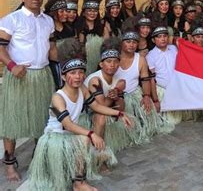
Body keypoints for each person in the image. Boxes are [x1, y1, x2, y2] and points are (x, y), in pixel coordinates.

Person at [28, 40, 132, 190]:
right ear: (63, 76)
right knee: (84, 139)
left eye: (81, 72)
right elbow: (68, 124)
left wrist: (120, 113)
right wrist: (92, 134)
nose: (78, 76)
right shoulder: (58, 97)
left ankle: (79, 180)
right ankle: (79, 183)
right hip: (55, 138)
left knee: (84, 139)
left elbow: (96, 106)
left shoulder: (82, 89)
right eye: (73, 73)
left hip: (69, 136)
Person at [0, 0, 57, 182]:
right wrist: (12, 66)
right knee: (12, 121)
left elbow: (51, 49)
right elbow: (1, 47)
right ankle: (9, 162)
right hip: (19, 76)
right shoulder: (11, 20)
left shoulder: (48, 21)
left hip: (42, 76)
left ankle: (39, 157)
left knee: (41, 118)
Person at [115, 31, 171, 141]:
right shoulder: (114, 58)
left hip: (135, 94)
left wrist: (146, 96)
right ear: (122, 43)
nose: (131, 44)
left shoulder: (140, 59)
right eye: (128, 42)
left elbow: (145, 80)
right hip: (117, 96)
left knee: (147, 113)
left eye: (134, 42)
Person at [84, 38, 136, 153]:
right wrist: (112, 96)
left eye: (115, 61)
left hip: (106, 110)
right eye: (108, 61)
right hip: (87, 114)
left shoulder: (118, 80)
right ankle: (98, 153)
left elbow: (121, 107)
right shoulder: (95, 80)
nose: (112, 65)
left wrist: (117, 94)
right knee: (101, 117)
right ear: (101, 64)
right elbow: (100, 106)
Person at [146, 26, 183, 124]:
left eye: (165, 36)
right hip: (162, 90)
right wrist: (156, 100)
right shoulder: (151, 55)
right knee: (167, 121)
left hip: (176, 89)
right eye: (159, 37)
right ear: (154, 40)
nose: (163, 39)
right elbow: (152, 79)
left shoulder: (174, 49)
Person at [75, 0, 104, 75]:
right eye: (89, 10)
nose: (92, 13)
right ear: (84, 12)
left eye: (95, 11)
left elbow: (106, 46)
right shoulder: (78, 28)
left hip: (99, 65)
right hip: (84, 66)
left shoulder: (102, 27)